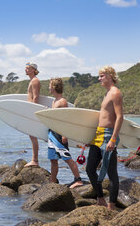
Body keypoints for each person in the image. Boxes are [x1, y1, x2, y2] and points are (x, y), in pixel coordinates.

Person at [86, 66, 123, 210]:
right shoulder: (107, 93)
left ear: (110, 76)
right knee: (90, 169)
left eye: (101, 76)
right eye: (99, 76)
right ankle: (100, 198)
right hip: (98, 135)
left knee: (111, 172)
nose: (99, 79)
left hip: (108, 135)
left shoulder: (115, 93)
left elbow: (120, 117)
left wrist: (113, 139)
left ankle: (111, 205)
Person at [48, 78, 84, 188]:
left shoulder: (62, 102)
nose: (48, 88)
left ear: (54, 87)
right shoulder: (54, 101)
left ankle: (78, 179)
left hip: (59, 134)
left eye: (50, 86)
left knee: (66, 157)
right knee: (53, 159)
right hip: (52, 133)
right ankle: (53, 181)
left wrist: (64, 134)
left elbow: (66, 119)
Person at [24, 62, 41, 167]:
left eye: (28, 68)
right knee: (32, 136)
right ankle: (34, 159)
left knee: (33, 136)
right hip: (29, 110)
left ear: (34, 70)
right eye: (25, 68)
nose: (25, 69)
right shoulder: (32, 80)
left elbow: (36, 97)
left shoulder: (35, 81)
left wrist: (33, 112)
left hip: (32, 110)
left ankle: (35, 160)